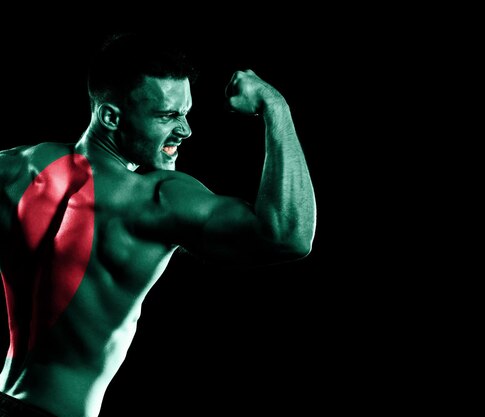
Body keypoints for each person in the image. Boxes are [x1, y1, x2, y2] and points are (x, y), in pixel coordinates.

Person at [0, 32, 316, 417]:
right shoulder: (154, 198)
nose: (185, 131)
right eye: (167, 116)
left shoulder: (16, 167)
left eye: (185, 114)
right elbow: (288, 234)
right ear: (111, 117)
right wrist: (275, 107)